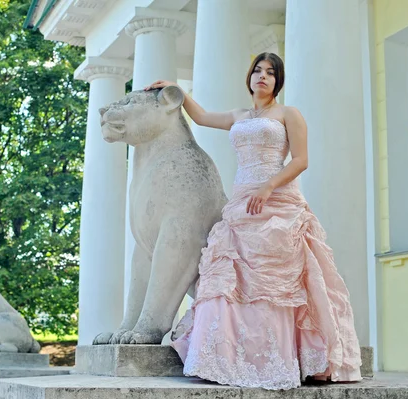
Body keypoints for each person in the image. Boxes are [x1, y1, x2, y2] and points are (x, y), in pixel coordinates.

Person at [144, 52, 362, 390]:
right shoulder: (239, 115)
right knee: (230, 278)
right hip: (243, 204)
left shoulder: (289, 114)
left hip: (278, 201)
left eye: (270, 72)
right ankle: (228, 358)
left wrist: (269, 185)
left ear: (278, 81)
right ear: (249, 77)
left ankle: (281, 358)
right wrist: (176, 89)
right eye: (257, 71)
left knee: (275, 282)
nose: (262, 76)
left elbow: (301, 159)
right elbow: (201, 118)